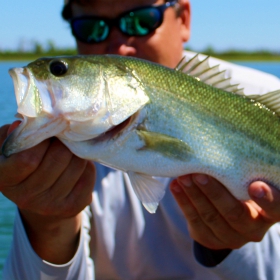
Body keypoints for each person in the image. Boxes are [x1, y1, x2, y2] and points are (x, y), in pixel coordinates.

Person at [2, 0, 280, 279]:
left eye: (141, 20)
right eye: (91, 28)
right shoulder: (66, 146)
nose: (120, 46)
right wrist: (46, 224)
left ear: (183, 18)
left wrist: (235, 245)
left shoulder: (267, 96)